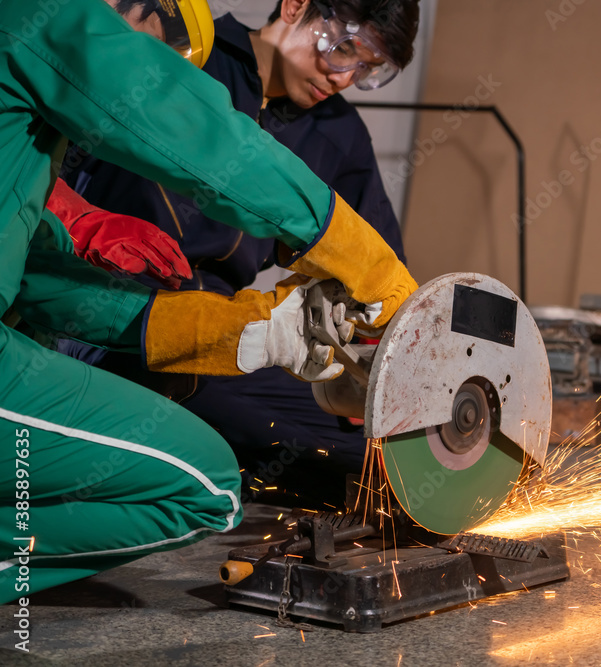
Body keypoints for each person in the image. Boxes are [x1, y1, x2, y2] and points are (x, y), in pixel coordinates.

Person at [0, 0, 416, 602]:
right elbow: (211, 146)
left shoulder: (338, 131)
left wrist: (247, 330)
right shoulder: (51, 16)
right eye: (152, 51)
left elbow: (37, 284)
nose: (343, 77)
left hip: (132, 322)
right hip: (95, 356)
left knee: (355, 452)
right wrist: (366, 264)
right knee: (209, 484)